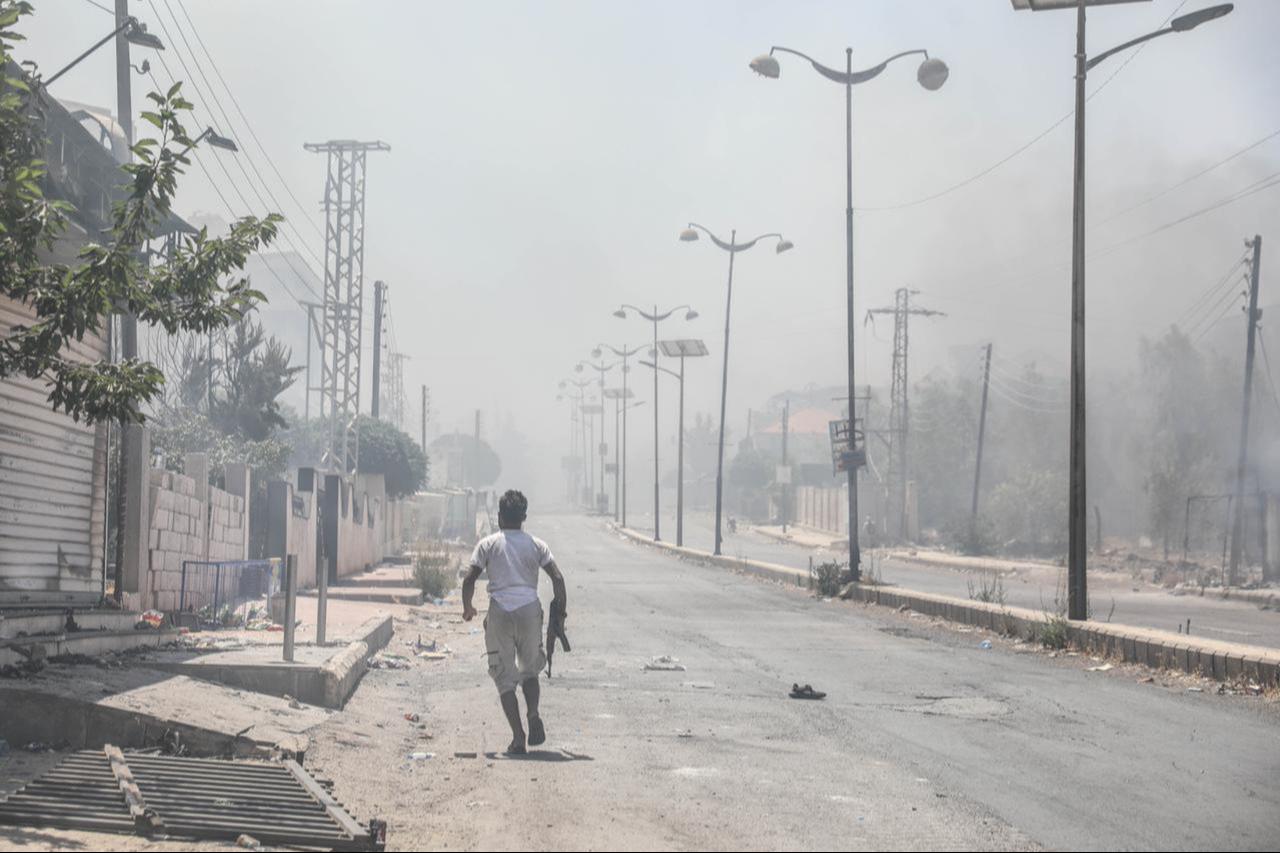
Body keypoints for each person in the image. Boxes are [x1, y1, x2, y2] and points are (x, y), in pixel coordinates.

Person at [462, 489, 567, 755]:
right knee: (530, 671)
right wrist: (560, 614)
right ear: (524, 517)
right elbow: (557, 578)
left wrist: (468, 608)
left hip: (500, 612)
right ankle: (533, 713)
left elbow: (469, 578)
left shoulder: (488, 544)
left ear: (500, 516)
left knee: (504, 677)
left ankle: (519, 737)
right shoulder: (537, 545)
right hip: (529, 611)